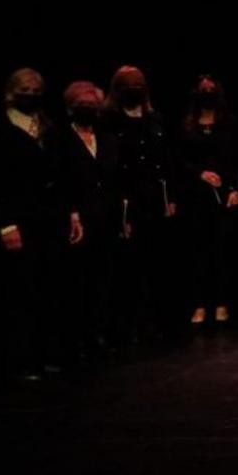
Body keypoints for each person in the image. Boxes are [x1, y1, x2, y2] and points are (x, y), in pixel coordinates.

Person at [0, 68, 70, 380]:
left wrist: (71, 213)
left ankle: (47, 354)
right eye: (25, 88)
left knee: (48, 288)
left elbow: (60, 173)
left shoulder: (48, 126)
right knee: (20, 291)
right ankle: (21, 359)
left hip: (49, 219)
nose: (32, 93)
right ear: (13, 91)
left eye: (37, 88)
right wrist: (6, 224)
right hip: (18, 219)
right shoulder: (1, 129)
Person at [103, 65, 179, 341]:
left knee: (157, 262)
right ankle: (127, 324)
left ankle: (155, 322)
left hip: (155, 198)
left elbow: (167, 161)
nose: (133, 89)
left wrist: (171, 198)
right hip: (127, 200)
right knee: (128, 265)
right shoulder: (109, 120)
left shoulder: (155, 119)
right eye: (127, 84)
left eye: (138, 84)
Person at [51, 81, 120, 358]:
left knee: (103, 277)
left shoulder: (106, 137)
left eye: (93, 105)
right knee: (77, 279)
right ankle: (76, 337)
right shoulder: (61, 138)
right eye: (83, 105)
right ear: (71, 107)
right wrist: (72, 212)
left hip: (106, 216)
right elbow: (59, 180)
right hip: (77, 218)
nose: (88, 109)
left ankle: (99, 332)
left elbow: (114, 179)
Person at [177, 75, 238, 326]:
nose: (207, 93)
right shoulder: (187, 125)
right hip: (196, 195)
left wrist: (236, 188)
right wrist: (199, 174)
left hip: (224, 195)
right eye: (203, 90)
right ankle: (199, 303)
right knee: (198, 251)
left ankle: (223, 302)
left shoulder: (230, 124)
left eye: (211, 90)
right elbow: (179, 159)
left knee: (223, 251)